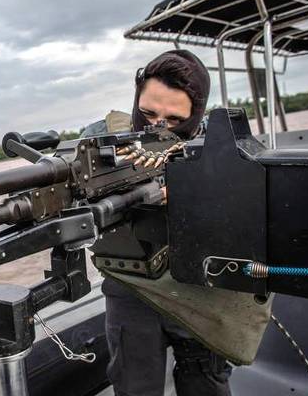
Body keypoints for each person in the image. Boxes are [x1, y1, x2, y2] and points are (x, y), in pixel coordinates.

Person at [82, 50, 234, 396]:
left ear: (196, 115)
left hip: (201, 284)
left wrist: (192, 191)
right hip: (131, 283)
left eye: (174, 119)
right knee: (134, 385)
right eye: (147, 114)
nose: (157, 128)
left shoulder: (219, 142)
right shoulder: (100, 140)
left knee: (206, 382)